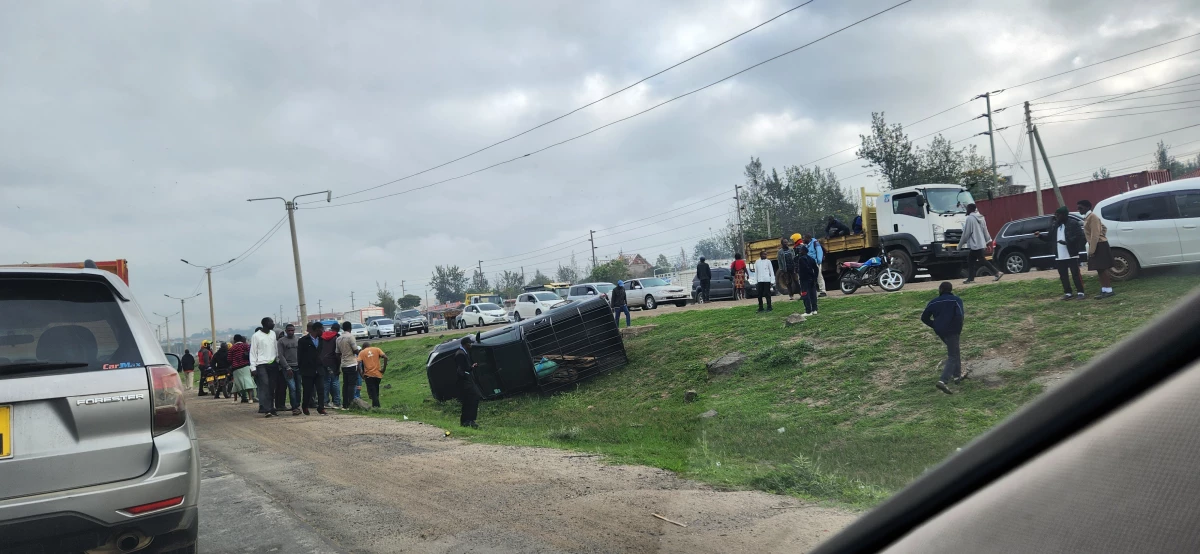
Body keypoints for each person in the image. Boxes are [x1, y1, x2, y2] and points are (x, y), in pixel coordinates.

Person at [921, 282, 965, 395]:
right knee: (953, 355)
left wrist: (934, 325)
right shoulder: (956, 300)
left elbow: (924, 317)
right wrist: (958, 328)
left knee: (954, 350)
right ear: (951, 289)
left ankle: (957, 376)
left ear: (940, 289)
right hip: (952, 330)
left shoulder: (933, 302)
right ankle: (943, 380)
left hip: (940, 331)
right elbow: (960, 315)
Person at [1036, 206, 1086, 300]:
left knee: (1075, 273)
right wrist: (1040, 236)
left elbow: (1079, 236)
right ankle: (1068, 293)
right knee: (1063, 275)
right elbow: (1050, 238)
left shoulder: (1073, 223)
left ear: (1064, 215)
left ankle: (1080, 292)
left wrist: (1068, 242)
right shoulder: (1055, 225)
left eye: (1058, 215)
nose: (1056, 216)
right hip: (1059, 254)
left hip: (1071, 253)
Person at [1078, 199, 1115, 299]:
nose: (1079, 210)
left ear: (1087, 207)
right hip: (1096, 244)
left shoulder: (1092, 217)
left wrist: (1092, 250)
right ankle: (1104, 289)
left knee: (1103, 268)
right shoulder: (1088, 217)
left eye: (1080, 208)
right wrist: (1101, 234)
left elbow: (1095, 235)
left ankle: (1108, 290)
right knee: (1099, 269)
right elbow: (1103, 227)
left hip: (1099, 244)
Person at [960, 204, 1003, 284]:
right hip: (981, 243)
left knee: (980, 259)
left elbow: (966, 233)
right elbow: (985, 230)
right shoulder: (981, 218)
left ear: (969, 209)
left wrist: (960, 245)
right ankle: (971, 278)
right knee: (971, 260)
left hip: (975, 244)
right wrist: (987, 243)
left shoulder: (969, 219)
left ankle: (997, 272)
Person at [249, 317, 280, 418]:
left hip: (273, 363)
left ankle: (272, 408)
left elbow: (275, 348)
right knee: (265, 385)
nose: (273, 324)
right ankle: (266, 409)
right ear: (266, 323)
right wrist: (253, 367)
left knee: (272, 387)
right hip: (261, 364)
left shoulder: (273, 334)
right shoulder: (256, 336)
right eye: (271, 322)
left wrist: (277, 360)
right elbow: (253, 351)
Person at [297, 322, 328, 415]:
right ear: (317, 329)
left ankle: (321, 407)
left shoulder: (321, 340)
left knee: (321, 389)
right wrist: (302, 368)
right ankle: (305, 406)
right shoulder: (303, 340)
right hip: (307, 369)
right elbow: (300, 356)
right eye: (321, 329)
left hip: (319, 369)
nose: (323, 331)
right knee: (308, 390)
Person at [454, 336, 481, 428]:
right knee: (474, 396)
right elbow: (460, 369)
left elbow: (466, 367)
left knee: (468, 400)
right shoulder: (460, 354)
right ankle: (469, 420)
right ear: (466, 344)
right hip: (465, 382)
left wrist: (471, 367)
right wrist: (466, 375)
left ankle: (466, 421)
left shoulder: (464, 352)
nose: (471, 345)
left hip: (466, 380)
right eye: (470, 343)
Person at [276, 324, 302, 416]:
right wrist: (287, 367)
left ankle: (297, 405)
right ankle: (294, 407)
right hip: (287, 368)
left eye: (292, 330)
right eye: (289, 330)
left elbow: (301, 353)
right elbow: (281, 355)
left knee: (298, 388)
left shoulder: (298, 340)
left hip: (298, 367)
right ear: (286, 331)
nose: (291, 332)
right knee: (292, 388)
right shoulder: (281, 341)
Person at [337, 321, 361, 409]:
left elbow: (337, 353)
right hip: (351, 363)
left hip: (343, 364)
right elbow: (355, 350)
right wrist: (360, 352)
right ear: (350, 328)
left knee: (345, 384)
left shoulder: (338, 338)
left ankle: (345, 404)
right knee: (352, 384)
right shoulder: (351, 337)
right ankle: (351, 403)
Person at [357, 341, 388, 408]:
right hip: (378, 374)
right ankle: (375, 406)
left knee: (373, 392)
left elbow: (358, 363)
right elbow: (385, 357)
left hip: (368, 375)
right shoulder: (377, 349)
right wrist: (384, 369)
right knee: (375, 390)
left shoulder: (362, 352)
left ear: (363, 347)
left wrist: (361, 374)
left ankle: (377, 407)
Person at [319, 323, 341, 408]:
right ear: (338, 329)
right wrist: (338, 366)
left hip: (322, 361)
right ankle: (337, 402)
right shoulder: (336, 337)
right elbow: (337, 353)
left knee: (325, 381)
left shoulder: (323, 336)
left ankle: (325, 402)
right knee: (335, 381)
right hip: (332, 362)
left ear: (331, 328)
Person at [228, 335, 255, 404]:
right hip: (245, 366)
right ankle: (250, 399)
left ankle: (235, 400)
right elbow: (251, 354)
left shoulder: (232, 348)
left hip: (236, 368)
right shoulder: (245, 346)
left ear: (234, 340)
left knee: (236, 383)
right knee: (248, 381)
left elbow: (229, 359)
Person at [795, 244, 820, 315]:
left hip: (804, 280)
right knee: (813, 294)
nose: (799, 252)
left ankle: (808, 311)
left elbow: (803, 269)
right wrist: (814, 278)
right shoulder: (811, 259)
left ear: (804, 251)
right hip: (812, 279)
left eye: (801, 250)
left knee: (805, 294)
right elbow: (816, 269)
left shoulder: (801, 259)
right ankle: (814, 309)